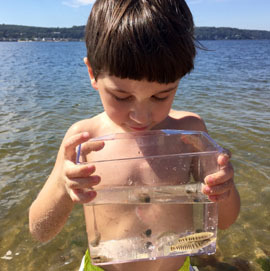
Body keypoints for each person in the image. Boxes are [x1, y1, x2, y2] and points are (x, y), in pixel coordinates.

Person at [29, 0, 241, 270]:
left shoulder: (191, 133)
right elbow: (40, 231)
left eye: (161, 95)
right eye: (122, 96)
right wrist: (62, 185)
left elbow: (225, 220)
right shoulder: (84, 140)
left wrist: (224, 188)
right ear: (93, 73)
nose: (141, 116)